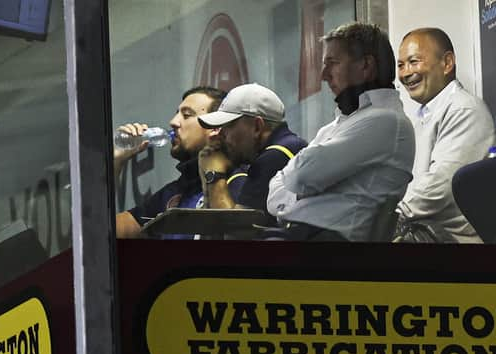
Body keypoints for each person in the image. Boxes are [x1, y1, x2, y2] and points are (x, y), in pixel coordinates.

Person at [265, 22, 415, 242]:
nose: (324, 75)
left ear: (366, 66)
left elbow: (299, 175)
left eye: (332, 63)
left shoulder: (386, 121)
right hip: (298, 240)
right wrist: (305, 184)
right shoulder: (338, 125)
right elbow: (275, 194)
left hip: (325, 252)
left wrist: (298, 187)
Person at [395, 28, 496, 243]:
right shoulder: (425, 115)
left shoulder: (464, 110)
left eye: (414, 61)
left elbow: (440, 186)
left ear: (447, 63)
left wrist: (392, 218)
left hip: (453, 247)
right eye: (401, 65)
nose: (405, 73)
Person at [115, 86, 245, 238]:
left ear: (214, 127)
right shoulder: (174, 192)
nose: (173, 122)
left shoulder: (239, 181)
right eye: (177, 113)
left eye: (187, 115)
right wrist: (116, 160)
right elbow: (107, 230)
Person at [196, 83, 307, 221]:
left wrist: (214, 173)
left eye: (228, 126)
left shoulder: (275, 156)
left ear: (257, 127)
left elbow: (235, 230)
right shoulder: (289, 147)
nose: (221, 134)